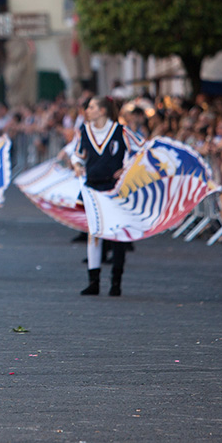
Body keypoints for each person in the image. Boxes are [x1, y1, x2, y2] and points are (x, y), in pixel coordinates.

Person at [71, 96, 143, 296]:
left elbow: (142, 150)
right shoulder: (85, 131)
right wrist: (77, 164)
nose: (87, 110)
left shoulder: (121, 131)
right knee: (94, 233)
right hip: (93, 186)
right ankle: (93, 281)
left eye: (92, 107)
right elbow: (77, 153)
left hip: (116, 188)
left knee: (118, 233)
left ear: (102, 111)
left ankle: (116, 282)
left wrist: (127, 169)